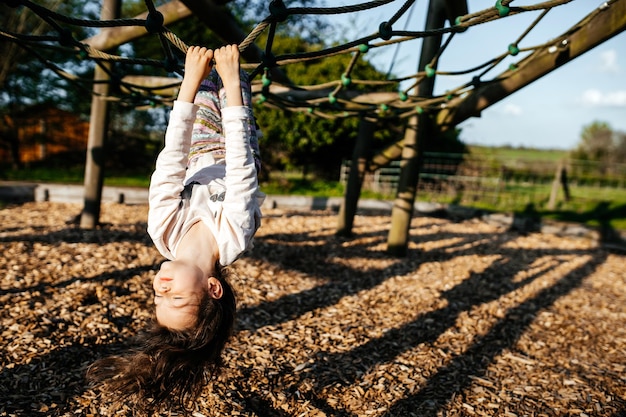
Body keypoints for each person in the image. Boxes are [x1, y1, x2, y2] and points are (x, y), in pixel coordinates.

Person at [87, 44, 264, 414]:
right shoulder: (234, 234)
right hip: (236, 140)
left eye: (158, 299)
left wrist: (188, 84)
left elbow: (170, 162)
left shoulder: (163, 231)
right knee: (235, 68)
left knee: (201, 71)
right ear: (212, 287)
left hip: (197, 143)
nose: (162, 290)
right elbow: (242, 167)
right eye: (177, 299)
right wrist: (231, 84)